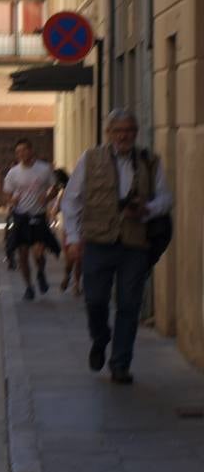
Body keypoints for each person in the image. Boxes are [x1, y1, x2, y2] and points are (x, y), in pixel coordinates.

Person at [62, 109, 172, 384]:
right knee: (95, 300)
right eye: (118, 130)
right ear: (109, 133)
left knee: (129, 305)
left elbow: (166, 198)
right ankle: (100, 339)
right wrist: (74, 239)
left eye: (128, 130)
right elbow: (71, 200)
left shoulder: (150, 161)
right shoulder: (90, 159)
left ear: (136, 133)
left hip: (135, 244)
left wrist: (147, 209)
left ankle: (120, 363)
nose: (123, 135)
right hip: (98, 242)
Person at [3, 138, 56, 300]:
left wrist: (47, 199)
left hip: (38, 216)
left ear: (31, 150)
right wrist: (11, 201)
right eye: (18, 152)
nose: (22, 154)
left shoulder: (44, 169)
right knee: (23, 255)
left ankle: (40, 273)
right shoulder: (13, 173)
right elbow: (7, 194)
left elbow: (54, 187)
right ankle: (28, 286)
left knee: (39, 253)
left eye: (25, 150)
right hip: (21, 216)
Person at [49, 168, 82, 295]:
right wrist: (53, 219)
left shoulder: (80, 191)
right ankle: (67, 275)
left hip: (82, 230)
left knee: (79, 259)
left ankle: (77, 284)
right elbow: (55, 210)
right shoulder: (62, 193)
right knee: (70, 260)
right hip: (68, 231)